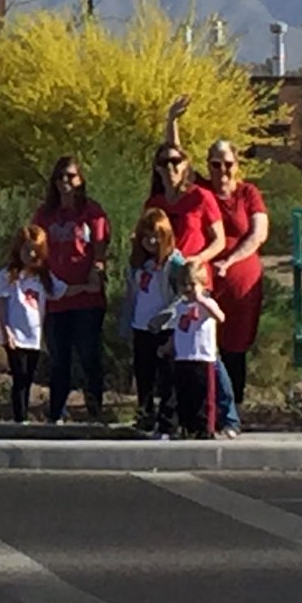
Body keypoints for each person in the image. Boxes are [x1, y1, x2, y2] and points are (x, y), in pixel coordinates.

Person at [32, 155, 109, 423]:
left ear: (81, 179)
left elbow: (99, 250)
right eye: (60, 176)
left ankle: (95, 410)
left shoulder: (92, 212)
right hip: (56, 297)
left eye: (71, 176)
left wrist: (94, 275)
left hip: (87, 298)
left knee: (88, 355)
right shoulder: (45, 214)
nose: (66, 182)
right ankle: (57, 413)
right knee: (58, 358)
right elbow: (35, 249)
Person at [205, 140, 268, 406]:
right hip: (207, 283)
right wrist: (172, 121)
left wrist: (230, 261)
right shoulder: (202, 192)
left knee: (235, 347)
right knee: (205, 346)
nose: (223, 171)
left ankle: (233, 407)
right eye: (216, 165)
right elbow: (174, 161)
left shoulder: (247, 193)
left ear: (237, 165)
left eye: (228, 164)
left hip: (241, 282)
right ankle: (207, 407)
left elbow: (258, 233)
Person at [151, 96, 226, 267]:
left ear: (185, 165)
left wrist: (198, 259)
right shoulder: (155, 203)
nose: (171, 168)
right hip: (164, 277)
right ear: (158, 168)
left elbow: (219, 241)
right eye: (164, 164)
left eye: (176, 163)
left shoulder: (200, 197)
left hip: (193, 278)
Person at [126, 207, 178, 432]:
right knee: (144, 376)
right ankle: (145, 417)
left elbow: (183, 297)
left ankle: (168, 422)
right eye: (146, 237)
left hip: (165, 328)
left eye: (156, 236)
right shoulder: (139, 264)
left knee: (167, 378)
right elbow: (133, 294)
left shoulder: (175, 263)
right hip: (141, 327)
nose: (151, 241)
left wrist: (166, 318)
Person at [0, 224, 51, 423]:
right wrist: (6, 330)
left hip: (35, 336)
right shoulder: (7, 276)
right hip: (15, 335)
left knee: (29, 377)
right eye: (27, 249)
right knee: (19, 376)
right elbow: (0, 303)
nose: (31, 254)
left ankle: (25, 413)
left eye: (36, 249)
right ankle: (20, 418)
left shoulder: (43, 278)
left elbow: (62, 291)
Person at [167, 259, 226, 438]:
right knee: (185, 394)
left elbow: (220, 317)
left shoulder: (207, 304)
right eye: (183, 284)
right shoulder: (179, 307)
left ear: (202, 284)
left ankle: (205, 428)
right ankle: (187, 426)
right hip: (183, 357)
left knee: (204, 396)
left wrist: (201, 300)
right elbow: (176, 329)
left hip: (203, 357)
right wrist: (168, 346)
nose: (188, 288)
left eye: (192, 284)